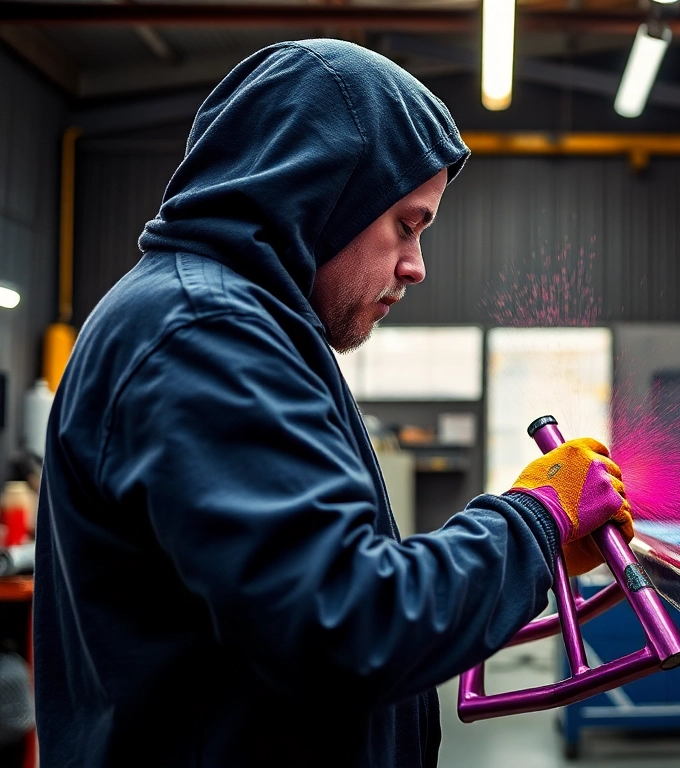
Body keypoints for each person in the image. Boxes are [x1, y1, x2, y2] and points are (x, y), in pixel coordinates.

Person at [33, 39, 633, 767]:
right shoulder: (206, 333)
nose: (415, 266)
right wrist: (536, 519)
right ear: (317, 190)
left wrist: (527, 542)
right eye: (405, 225)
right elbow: (345, 625)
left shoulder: (235, 324)